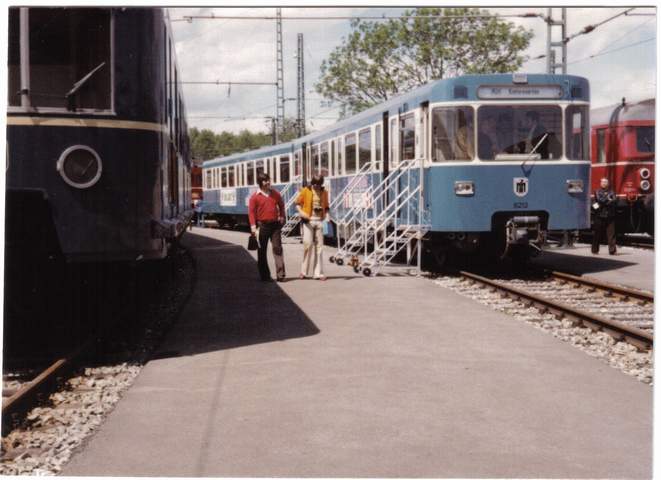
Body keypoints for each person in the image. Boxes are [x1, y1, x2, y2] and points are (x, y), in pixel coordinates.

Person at [248, 173, 286, 282]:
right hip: (262, 226)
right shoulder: (255, 197)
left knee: (277, 249)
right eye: (265, 181)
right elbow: (251, 213)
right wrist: (253, 226)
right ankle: (265, 276)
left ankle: (281, 275)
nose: (268, 182)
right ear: (260, 183)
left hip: (275, 226)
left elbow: (281, 205)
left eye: (268, 180)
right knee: (262, 251)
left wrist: (282, 216)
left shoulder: (275, 194)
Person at [296, 174, 330, 280]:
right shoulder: (306, 190)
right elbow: (297, 203)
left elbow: (326, 206)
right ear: (312, 183)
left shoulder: (324, 192)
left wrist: (326, 215)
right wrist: (302, 213)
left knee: (319, 247)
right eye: (314, 184)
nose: (316, 186)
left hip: (319, 221)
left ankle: (318, 273)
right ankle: (303, 271)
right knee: (308, 244)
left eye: (318, 184)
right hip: (308, 221)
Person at [591, 177, 617, 255]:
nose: (604, 183)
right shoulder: (597, 191)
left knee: (611, 234)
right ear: (600, 183)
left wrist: (604, 202)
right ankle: (595, 250)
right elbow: (596, 201)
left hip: (610, 215)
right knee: (597, 233)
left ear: (608, 184)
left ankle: (612, 250)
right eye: (603, 182)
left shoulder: (612, 192)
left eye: (605, 182)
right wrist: (608, 200)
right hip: (599, 215)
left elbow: (614, 201)